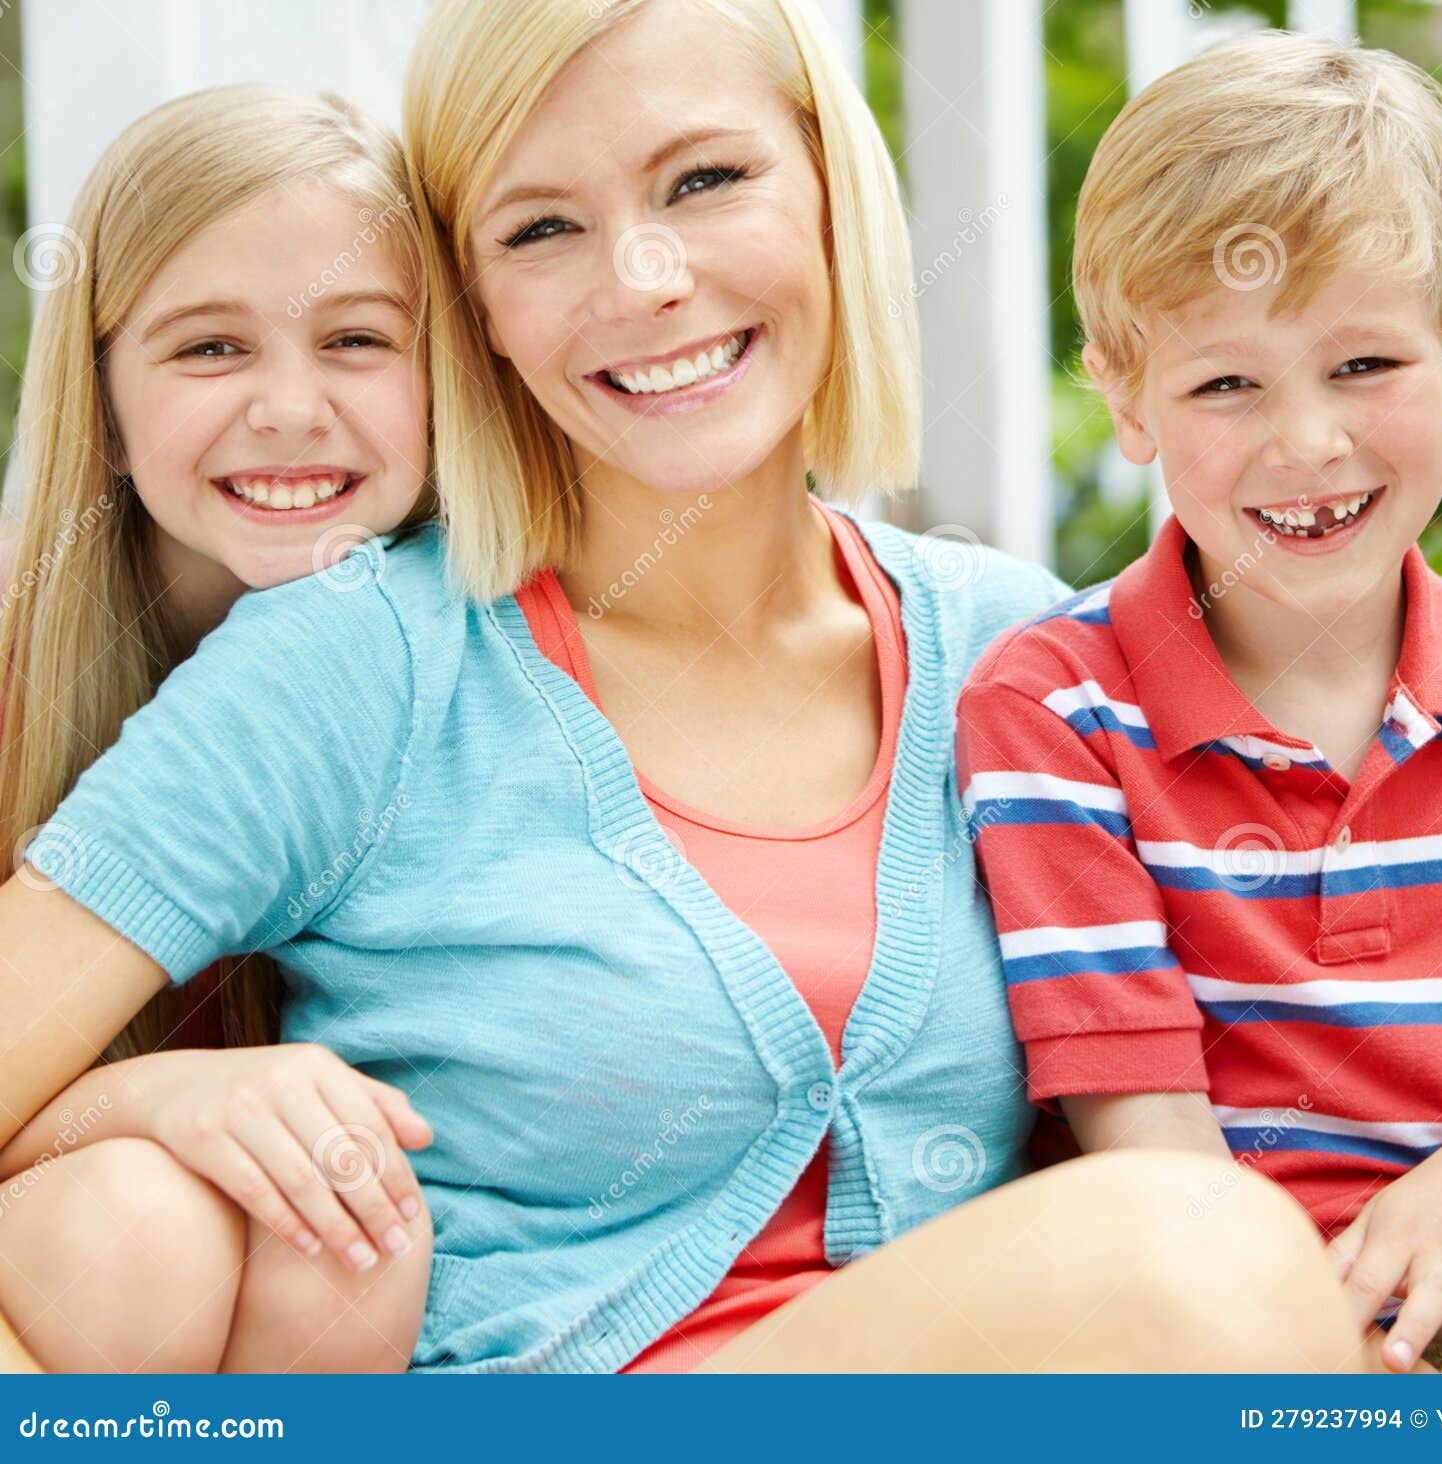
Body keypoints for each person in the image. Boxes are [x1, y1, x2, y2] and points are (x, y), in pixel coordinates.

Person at [0, 1, 1360, 1375]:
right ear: (481, 316)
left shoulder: (1021, 655)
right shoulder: (360, 666)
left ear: (835, 191)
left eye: (705, 182)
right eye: (541, 229)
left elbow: (1326, 1052)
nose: (645, 279)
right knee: (1188, 1251)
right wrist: (146, 1103)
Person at [955, 29, 1442, 1376]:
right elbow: (1156, 1158)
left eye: (1365, 366)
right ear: (1127, 395)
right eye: (1227, 383)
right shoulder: (1057, 713)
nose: (1309, 441)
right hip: (1200, 1326)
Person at [0, 84, 438, 1373]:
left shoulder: (478, 672)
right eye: (207, 349)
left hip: (306, 1323)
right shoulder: (21, 678)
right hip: (77, 1274)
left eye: (357, 340)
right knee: (142, 1222)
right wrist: (156, 1097)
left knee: (337, 1215)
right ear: (106, 402)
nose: (290, 408)